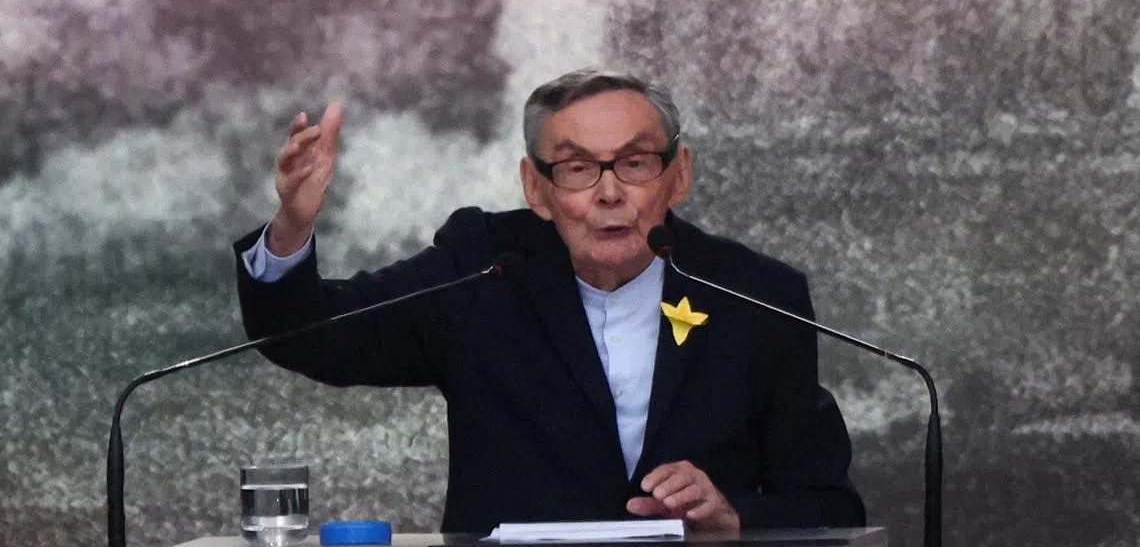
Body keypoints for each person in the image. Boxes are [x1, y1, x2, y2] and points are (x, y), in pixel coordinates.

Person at [235, 68, 865, 534]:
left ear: (680, 174)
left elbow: (829, 507)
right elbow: (309, 334)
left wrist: (732, 516)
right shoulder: (484, 268)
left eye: (636, 162)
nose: (610, 192)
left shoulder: (757, 297)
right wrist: (292, 225)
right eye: (577, 168)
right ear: (536, 189)